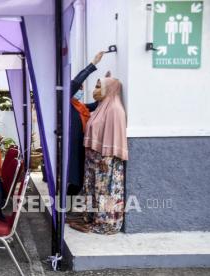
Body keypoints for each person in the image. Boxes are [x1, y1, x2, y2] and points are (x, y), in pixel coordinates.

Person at [70, 76, 128, 235]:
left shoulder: (115, 110)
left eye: (98, 87)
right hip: (93, 160)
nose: (94, 91)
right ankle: (91, 218)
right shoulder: (102, 107)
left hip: (105, 161)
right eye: (95, 86)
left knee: (105, 193)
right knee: (93, 191)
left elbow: (114, 137)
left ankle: (105, 224)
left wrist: (107, 159)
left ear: (109, 89)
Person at [68, 51, 104, 196]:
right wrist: (93, 64)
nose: (80, 91)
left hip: (82, 145)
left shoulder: (79, 106)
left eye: (82, 89)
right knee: (74, 179)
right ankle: (65, 208)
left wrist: (105, 87)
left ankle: (67, 205)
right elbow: (75, 83)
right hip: (72, 147)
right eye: (79, 89)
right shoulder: (65, 105)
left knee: (79, 177)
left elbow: (96, 105)